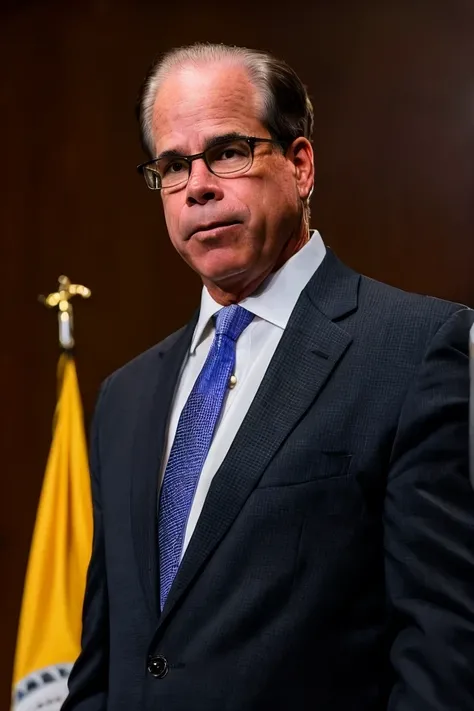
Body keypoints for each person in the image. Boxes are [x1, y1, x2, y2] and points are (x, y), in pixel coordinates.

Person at [63, 43, 474, 711]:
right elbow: (108, 662)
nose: (197, 184)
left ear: (301, 164)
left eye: (227, 151)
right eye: (172, 165)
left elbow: (443, 655)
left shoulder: (417, 349)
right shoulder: (125, 398)